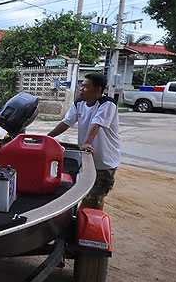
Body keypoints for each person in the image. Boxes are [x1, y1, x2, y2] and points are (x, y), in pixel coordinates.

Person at [47, 73, 121, 209]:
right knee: (92, 197)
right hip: (87, 159)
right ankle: (89, 221)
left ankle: (89, 226)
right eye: (82, 86)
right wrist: (48, 137)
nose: (81, 89)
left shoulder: (107, 104)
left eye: (86, 86)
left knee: (93, 199)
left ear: (98, 90)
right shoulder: (79, 103)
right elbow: (66, 122)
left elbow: (96, 124)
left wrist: (86, 143)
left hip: (104, 162)